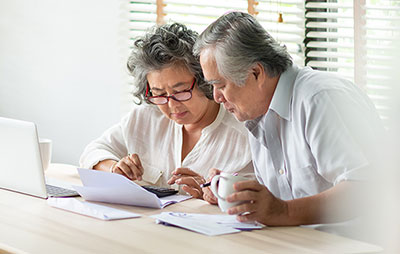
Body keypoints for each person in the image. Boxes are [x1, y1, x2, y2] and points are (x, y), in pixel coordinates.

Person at [194, 12, 385, 226]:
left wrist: (283, 211)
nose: (216, 97)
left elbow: (364, 190)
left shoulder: (320, 98)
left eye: (220, 85)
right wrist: (235, 190)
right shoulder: (258, 112)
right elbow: (292, 191)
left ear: (256, 73)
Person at [80, 23, 253, 198]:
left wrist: (215, 194)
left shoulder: (244, 135)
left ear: (204, 80)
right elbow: (93, 151)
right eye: (159, 94)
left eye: (180, 92)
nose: (171, 105)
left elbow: (258, 200)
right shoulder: (145, 118)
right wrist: (114, 169)